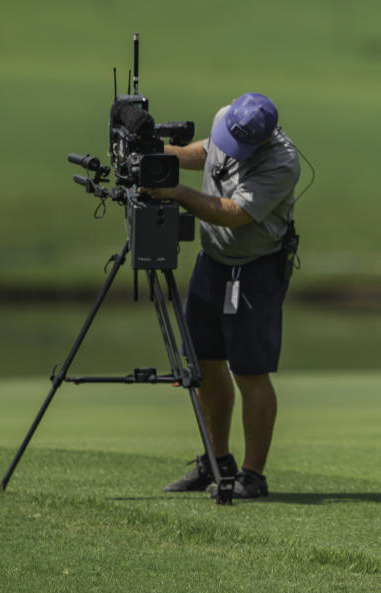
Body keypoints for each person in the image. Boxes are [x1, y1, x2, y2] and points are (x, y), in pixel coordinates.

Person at [145, 92, 301, 499]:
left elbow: (232, 214)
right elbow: (210, 152)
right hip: (212, 261)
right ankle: (217, 462)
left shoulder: (282, 163)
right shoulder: (226, 120)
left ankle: (253, 475)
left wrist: (177, 192)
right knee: (205, 363)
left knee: (250, 371)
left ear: (263, 141)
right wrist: (170, 154)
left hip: (255, 269)